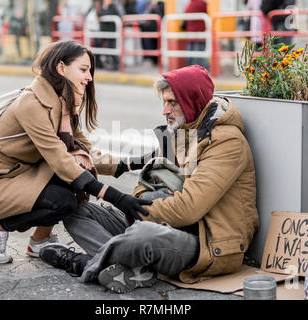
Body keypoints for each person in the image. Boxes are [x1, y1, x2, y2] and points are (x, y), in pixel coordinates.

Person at [40, 65, 260, 294]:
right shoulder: (184, 129)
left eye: (172, 102)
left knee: (142, 235)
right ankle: (126, 266)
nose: (165, 110)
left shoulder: (226, 142)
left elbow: (188, 209)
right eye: (163, 102)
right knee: (76, 210)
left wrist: (140, 207)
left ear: (192, 100)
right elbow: (147, 173)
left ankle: (84, 263)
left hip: (209, 243)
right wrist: (139, 196)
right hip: (169, 223)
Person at [0, 40, 151, 265]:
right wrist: (115, 197)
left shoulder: (64, 105)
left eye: (90, 71)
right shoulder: (31, 104)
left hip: (19, 176)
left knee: (73, 176)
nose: (89, 77)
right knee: (64, 199)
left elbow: (84, 151)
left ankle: (39, 242)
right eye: (83, 69)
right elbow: (60, 159)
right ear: (61, 68)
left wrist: (137, 162)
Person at [183, 0, 209, 70]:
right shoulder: (202, 4)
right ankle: (202, 70)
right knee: (199, 55)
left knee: (190, 54)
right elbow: (208, 13)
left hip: (190, 33)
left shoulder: (189, 4)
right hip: (199, 33)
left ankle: (189, 70)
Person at [97, 0, 121, 70]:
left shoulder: (114, 7)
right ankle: (111, 64)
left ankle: (116, 65)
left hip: (112, 32)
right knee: (107, 49)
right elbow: (99, 14)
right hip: (105, 32)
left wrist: (103, 14)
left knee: (112, 49)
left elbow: (109, 14)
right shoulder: (104, 7)